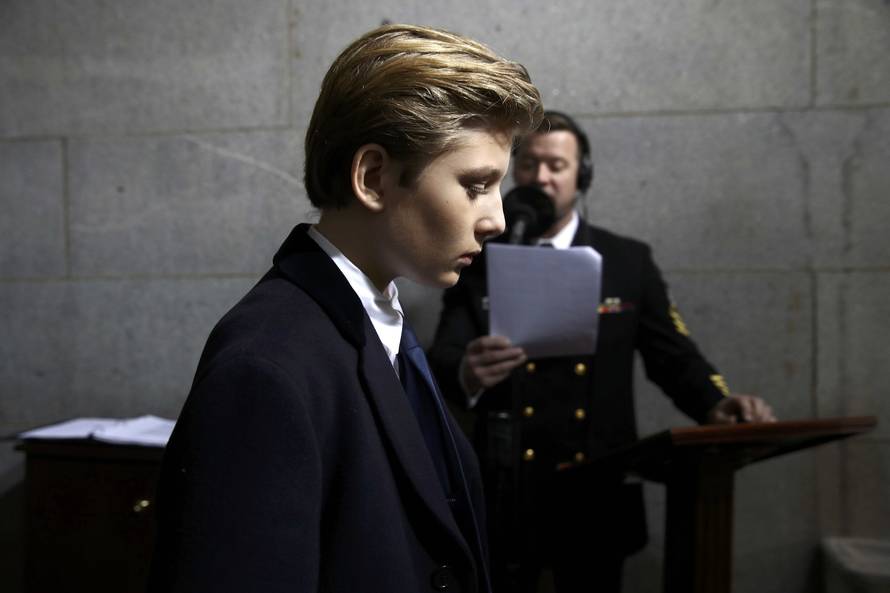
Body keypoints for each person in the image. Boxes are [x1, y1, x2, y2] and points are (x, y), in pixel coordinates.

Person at [147, 24, 543, 593]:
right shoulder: (266, 368)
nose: (497, 219)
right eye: (476, 185)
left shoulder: (377, 322)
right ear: (373, 177)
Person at [428, 110, 776, 593]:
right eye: (528, 164)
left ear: (582, 175)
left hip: (597, 491)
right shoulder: (479, 255)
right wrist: (467, 370)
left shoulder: (627, 262)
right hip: (508, 491)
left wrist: (716, 402)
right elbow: (442, 353)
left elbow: (673, 354)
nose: (541, 177)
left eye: (556, 165)